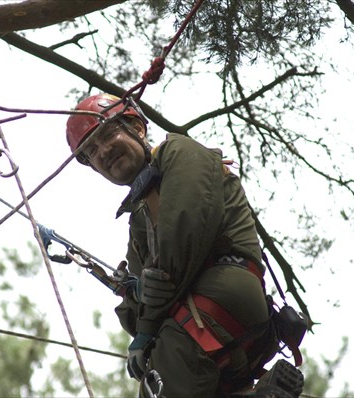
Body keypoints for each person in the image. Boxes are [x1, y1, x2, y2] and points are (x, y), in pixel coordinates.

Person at [66, 93, 279, 397]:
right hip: (205, 321)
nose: (104, 151)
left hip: (223, 293)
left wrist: (146, 328)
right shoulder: (138, 218)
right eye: (92, 151)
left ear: (137, 128)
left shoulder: (180, 152)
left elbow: (180, 238)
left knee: (160, 384)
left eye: (108, 133)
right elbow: (141, 301)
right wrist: (133, 293)